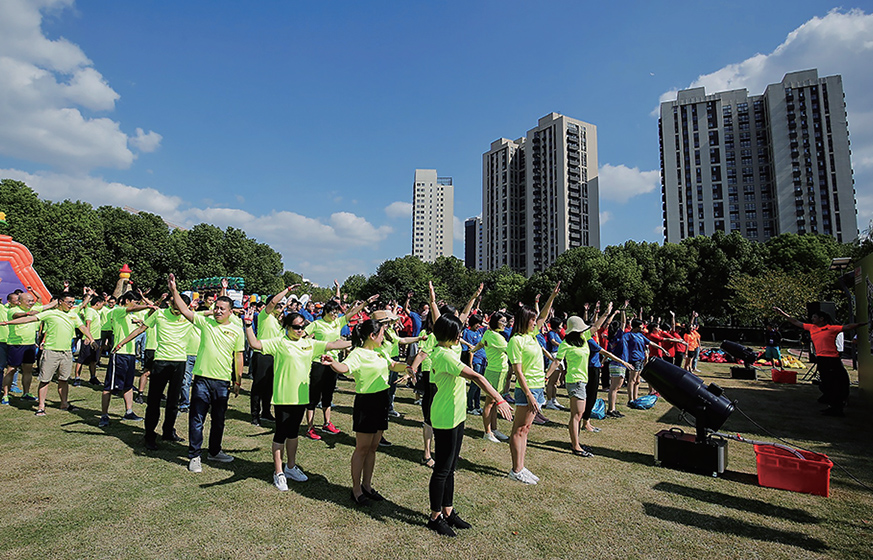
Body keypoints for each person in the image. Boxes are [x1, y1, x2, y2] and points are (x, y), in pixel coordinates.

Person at [244, 307, 351, 491]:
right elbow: (254, 344)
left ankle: (291, 467)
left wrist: (358, 342)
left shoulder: (309, 344)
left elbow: (333, 345)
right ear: (287, 327)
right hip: (283, 397)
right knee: (281, 434)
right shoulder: (279, 342)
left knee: (293, 434)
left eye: (302, 327)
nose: (300, 330)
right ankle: (278, 472)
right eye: (296, 327)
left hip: (301, 397)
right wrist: (247, 325)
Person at [425, 313, 513, 537]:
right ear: (449, 335)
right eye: (457, 332)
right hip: (445, 417)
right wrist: (500, 399)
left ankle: (448, 510)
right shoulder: (444, 355)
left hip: (456, 415)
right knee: (442, 469)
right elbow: (478, 377)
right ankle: (435, 517)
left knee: (451, 467)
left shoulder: (449, 349)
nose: (461, 335)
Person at [321, 319, 410, 505]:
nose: (383, 338)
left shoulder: (380, 352)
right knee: (362, 448)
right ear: (372, 336)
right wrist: (332, 362)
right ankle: (356, 489)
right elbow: (344, 368)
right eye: (382, 334)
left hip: (381, 400)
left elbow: (393, 365)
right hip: (366, 403)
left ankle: (367, 486)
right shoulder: (358, 354)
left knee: (373, 447)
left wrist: (408, 367)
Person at [169, 274, 245, 472]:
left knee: (219, 420)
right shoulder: (205, 322)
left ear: (230, 312)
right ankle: (194, 455)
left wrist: (237, 381)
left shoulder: (237, 330)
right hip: (202, 379)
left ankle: (214, 451)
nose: (218, 311)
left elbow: (238, 357)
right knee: (197, 418)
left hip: (222, 382)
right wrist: (174, 290)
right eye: (216, 307)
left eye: (222, 309)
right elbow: (185, 310)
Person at [112, 293, 194, 449]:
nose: (177, 308)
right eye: (174, 304)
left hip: (180, 362)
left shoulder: (190, 317)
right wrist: (122, 342)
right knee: (154, 401)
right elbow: (141, 329)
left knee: (173, 402)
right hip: (161, 361)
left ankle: (168, 432)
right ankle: (149, 436)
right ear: (170, 303)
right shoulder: (160, 313)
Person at [546, 315, 634, 456]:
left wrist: (607, 313)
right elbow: (556, 362)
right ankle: (576, 447)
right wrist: (546, 376)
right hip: (575, 382)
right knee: (576, 415)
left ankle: (577, 444)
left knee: (579, 414)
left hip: (583, 380)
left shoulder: (583, 338)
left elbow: (597, 327)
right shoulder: (565, 344)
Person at [1, 292, 97, 414]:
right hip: (51, 352)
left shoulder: (73, 315)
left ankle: (64, 404)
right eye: (69, 302)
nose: (71, 305)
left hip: (66, 353)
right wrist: (7, 323)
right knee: (45, 380)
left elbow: (82, 327)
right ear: (60, 302)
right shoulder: (50, 313)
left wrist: (91, 338)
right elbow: (29, 319)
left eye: (72, 302)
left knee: (64, 379)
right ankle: (41, 407)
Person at [506, 281, 560, 485]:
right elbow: (517, 371)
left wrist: (552, 296)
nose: (535, 322)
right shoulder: (516, 341)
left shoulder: (532, 335)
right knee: (519, 429)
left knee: (526, 429)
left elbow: (544, 316)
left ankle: (520, 466)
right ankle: (516, 469)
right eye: (532, 319)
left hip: (537, 388)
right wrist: (528, 394)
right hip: (526, 389)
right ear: (524, 320)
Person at [304, 295, 378, 440]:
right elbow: (302, 335)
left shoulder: (338, 322)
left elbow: (352, 312)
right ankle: (310, 427)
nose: (335, 315)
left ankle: (326, 423)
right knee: (314, 396)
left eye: (337, 312)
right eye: (333, 312)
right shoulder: (316, 324)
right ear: (326, 311)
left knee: (328, 394)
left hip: (333, 363)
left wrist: (366, 302)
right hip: (319, 362)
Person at [773, 306, 862, 416]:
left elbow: (848, 327)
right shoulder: (812, 328)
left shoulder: (831, 328)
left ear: (822, 319)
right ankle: (832, 405)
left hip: (833, 359)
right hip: (821, 358)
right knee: (826, 382)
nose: (812, 319)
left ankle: (838, 406)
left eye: (815, 317)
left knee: (837, 382)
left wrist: (863, 324)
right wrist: (782, 313)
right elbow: (796, 322)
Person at [250, 285, 300, 426]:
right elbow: (272, 303)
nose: (279, 306)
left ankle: (266, 412)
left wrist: (285, 308)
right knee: (258, 387)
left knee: (270, 386)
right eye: (277, 304)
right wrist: (288, 290)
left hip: (275, 356)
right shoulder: (264, 316)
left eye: (281, 305)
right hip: (262, 355)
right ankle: (255, 415)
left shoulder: (280, 322)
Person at [100, 292, 149, 427]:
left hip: (130, 354)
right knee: (109, 386)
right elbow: (132, 308)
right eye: (135, 302)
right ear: (127, 300)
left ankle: (129, 411)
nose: (136, 305)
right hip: (119, 353)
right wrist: (148, 305)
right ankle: (104, 415)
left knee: (128, 385)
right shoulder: (118, 311)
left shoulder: (131, 316)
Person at [3, 292, 56, 404]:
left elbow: (49, 305)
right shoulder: (13, 309)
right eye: (28, 301)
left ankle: (26, 393)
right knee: (11, 370)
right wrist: (28, 313)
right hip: (16, 344)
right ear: (19, 301)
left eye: (32, 300)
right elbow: (16, 316)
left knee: (28, 370)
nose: (31, 303)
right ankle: (5, 395)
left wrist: (65, 292)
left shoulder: (34, 308)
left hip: (30, 345)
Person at [472, 312, 511, 443]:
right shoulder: (496, 337)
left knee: (495, 402)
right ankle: (487, 432)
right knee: (490, 403)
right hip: (496, 372)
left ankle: (493, 429)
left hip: (497, 371)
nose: (505, 324)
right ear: (495, 322)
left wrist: (472, 350)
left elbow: (481, 344)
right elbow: (510, 350)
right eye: (503, 322)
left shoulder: (488, 333)